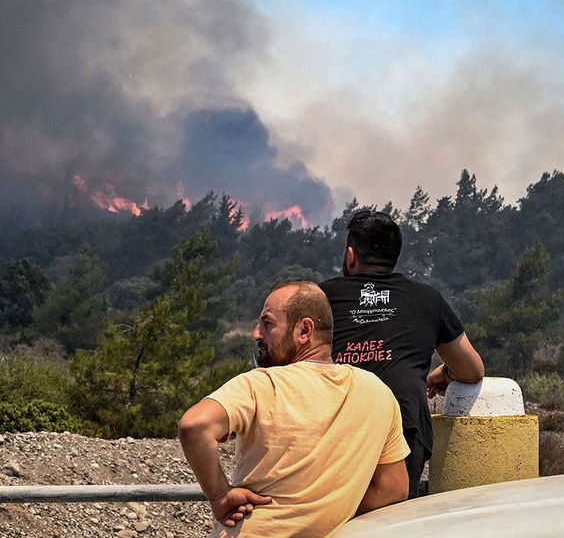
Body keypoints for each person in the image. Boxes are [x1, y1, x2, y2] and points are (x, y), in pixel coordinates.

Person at [178, 280, 409, 537]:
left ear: (304, 330)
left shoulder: (262, 383)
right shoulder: (378, 392)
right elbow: (394, 488)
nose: (256, 333)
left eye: (267, 323)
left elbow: (195, 426)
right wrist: (327, 509)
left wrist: (220, 495)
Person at [320, 210, 484, 499]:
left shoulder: (320, 298)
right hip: (404, 424)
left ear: (350, 255)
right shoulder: (427, 299)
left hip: (335, 424)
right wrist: (444, 373)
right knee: (390, 518)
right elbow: (472, 370)